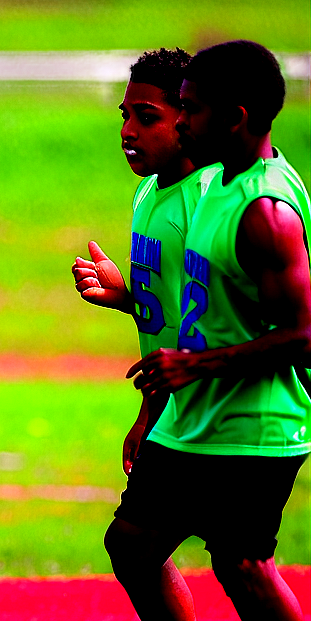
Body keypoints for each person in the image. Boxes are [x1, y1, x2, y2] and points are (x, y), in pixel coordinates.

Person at [105, 40, 311, 621]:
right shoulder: (216, 181)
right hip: (197, 414)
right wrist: (160, 396)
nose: (178, 123)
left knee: (243, 565)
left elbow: (306, 336)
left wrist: (197, 365)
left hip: (256, 421)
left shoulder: (266, 211)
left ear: (236, 117)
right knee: (132, 543)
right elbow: (190, 309)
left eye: (185, 110)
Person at [72, 47, 221, 474]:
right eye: (125, 116)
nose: (128, 131)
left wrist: (155, 417)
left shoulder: (209, 197)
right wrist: (126, 298)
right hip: (173, 410)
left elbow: (218, 319)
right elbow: (174, 318)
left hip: (215, 414)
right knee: (133, 542)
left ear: (186, 117)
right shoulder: (146, 193)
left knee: (133, 540)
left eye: (147, 117)